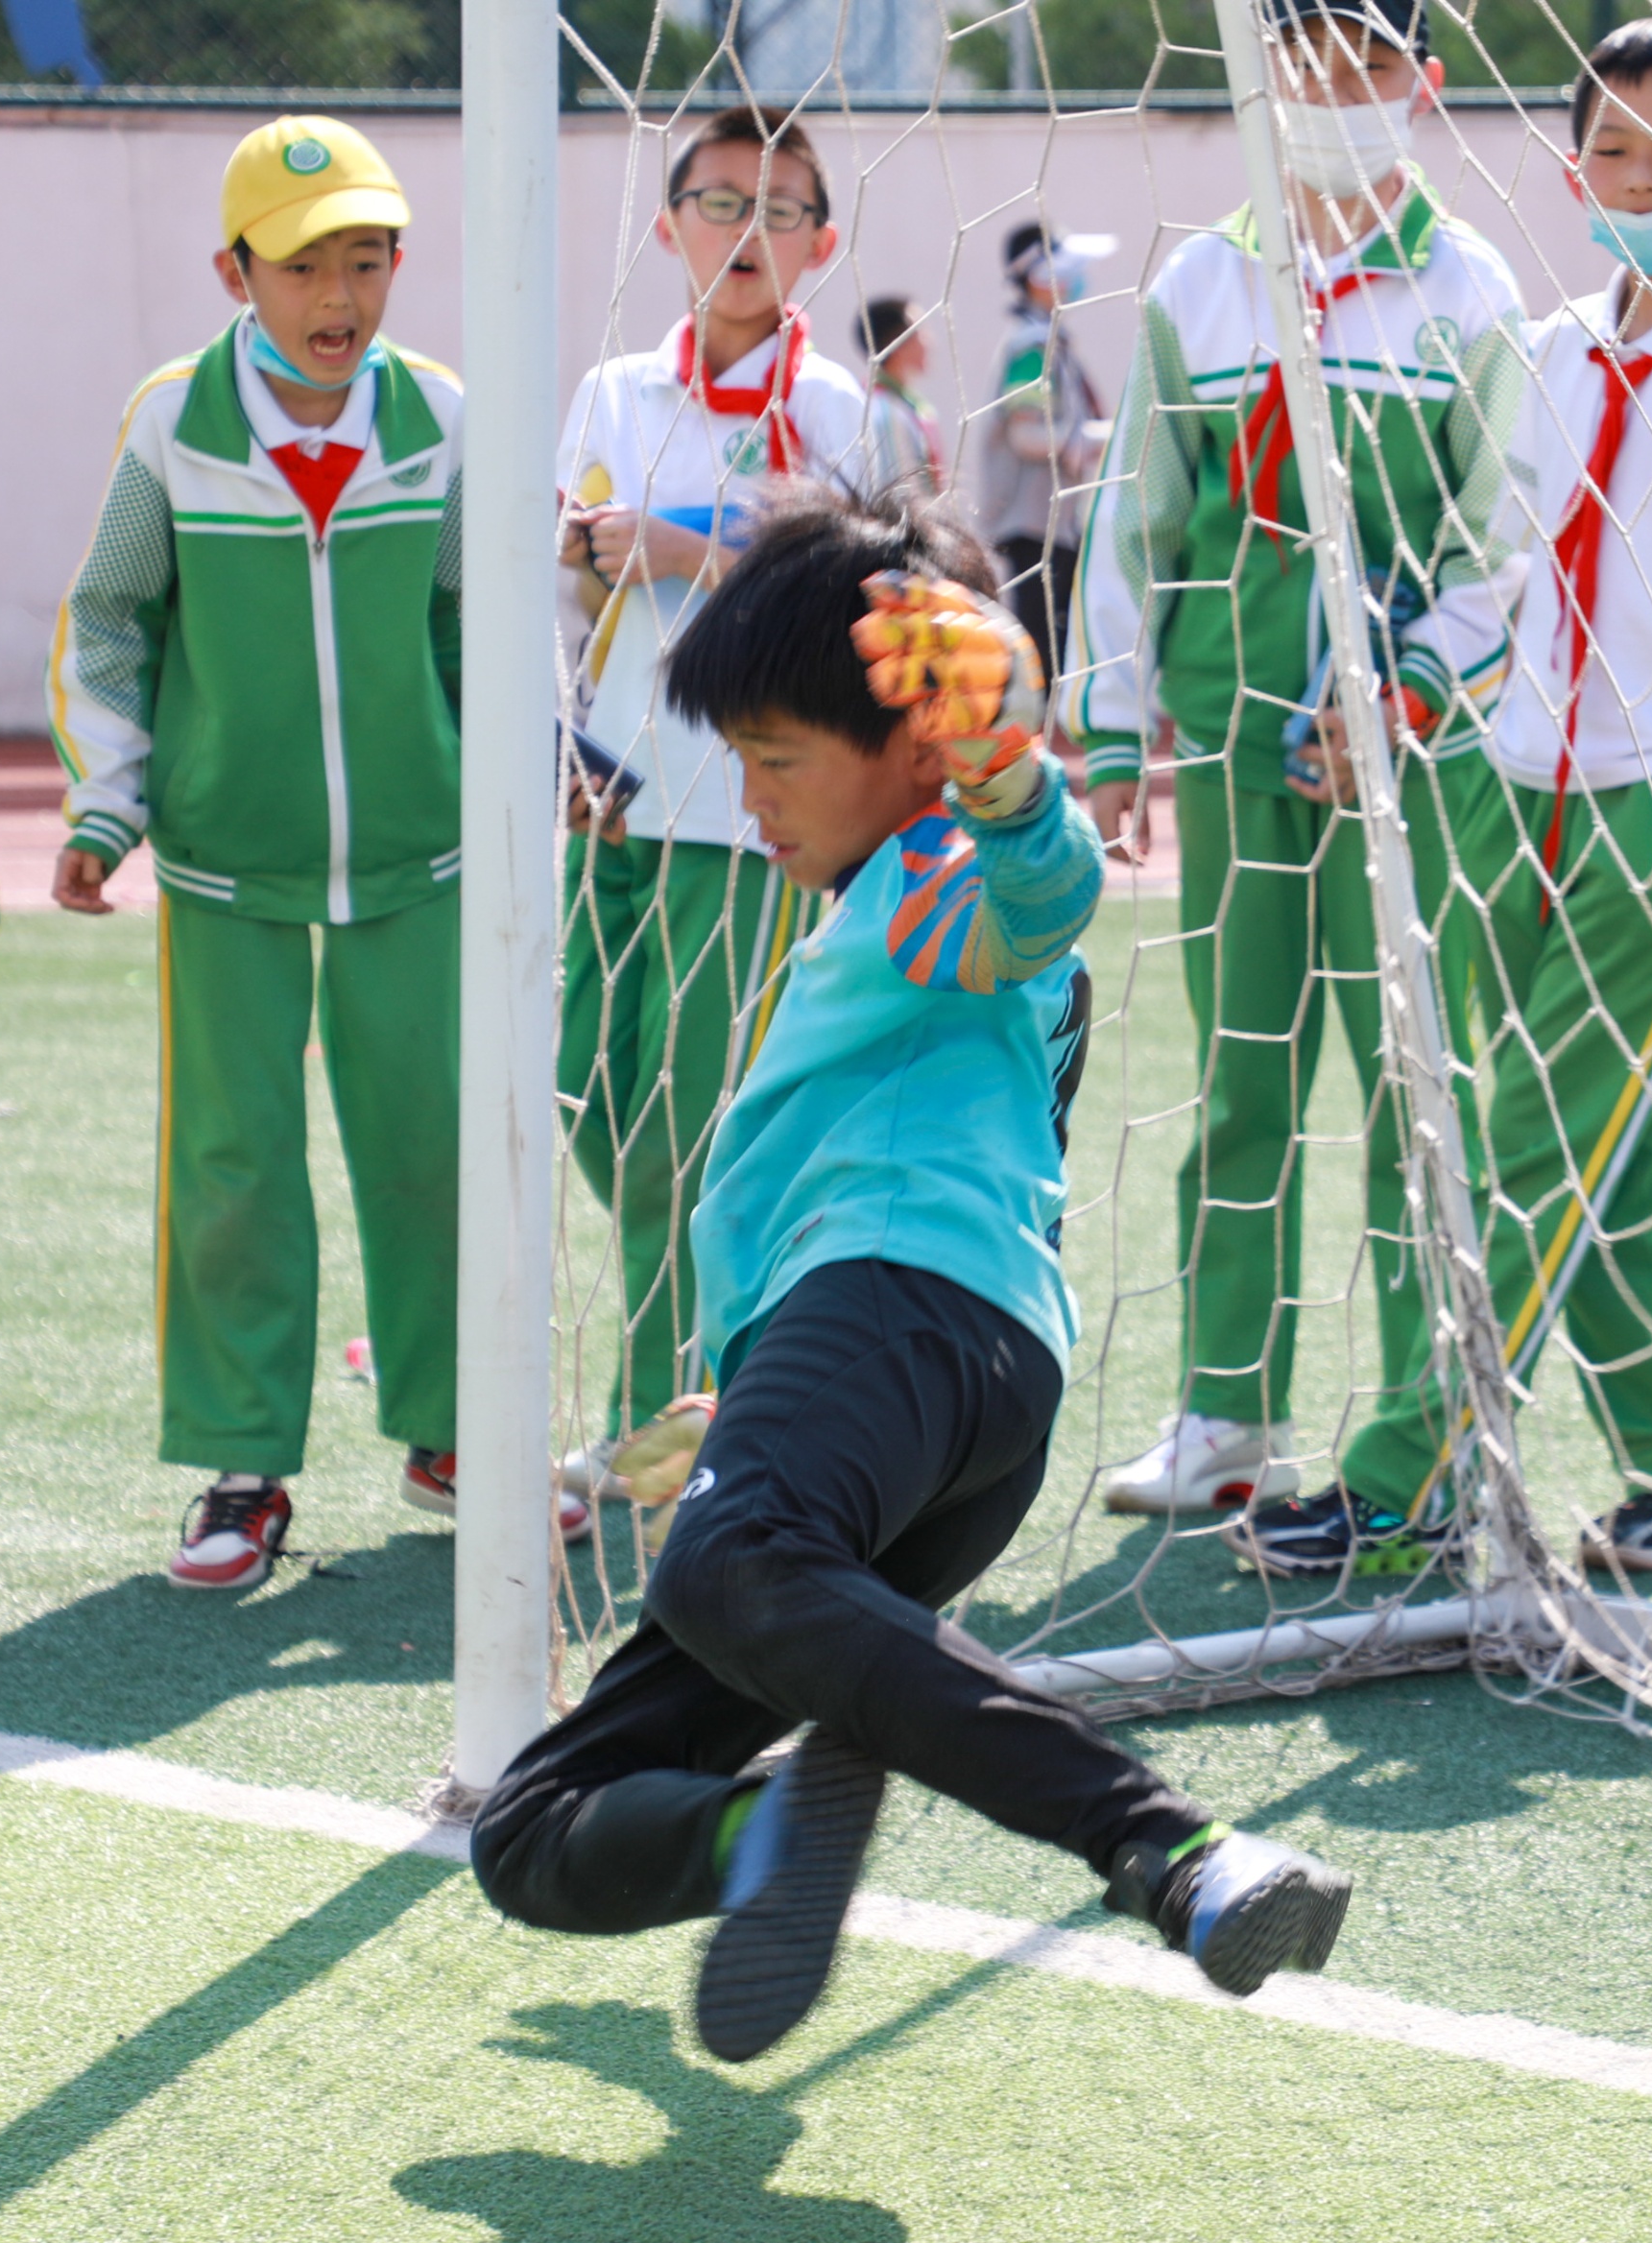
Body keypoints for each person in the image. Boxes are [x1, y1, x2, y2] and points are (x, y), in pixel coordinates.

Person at [472, 487, 1353, 2063]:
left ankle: (1177, 1850)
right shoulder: (896, 907)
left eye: (776, 758)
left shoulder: (946, 865)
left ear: (922, 738)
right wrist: (746, 1395)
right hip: (940, 1393)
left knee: (721, 1566)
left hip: (898, 1312)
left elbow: (1044, 890)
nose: (748, 800)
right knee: (537, 1822)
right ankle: (762, 1839)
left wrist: (1013, 775)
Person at [1232, 17, 1652, 1578]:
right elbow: (1506, 559)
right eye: (1613, 150)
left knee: (1539, 1135)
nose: (1641, 177)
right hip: (1519, 774)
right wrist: (1446, 705)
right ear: (1574, 169)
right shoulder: (1556, 349)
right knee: (1610, 1138)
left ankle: (1407, 1469)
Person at [47, 117, 576, 1585]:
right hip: (226, 865)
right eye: (301, 266)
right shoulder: (172, 423)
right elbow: (108, 621)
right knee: (234, 1165)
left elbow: (483, 627)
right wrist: (112, 800)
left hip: (421, 860)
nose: (339, 296)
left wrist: (515, 788)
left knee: (433, 1150)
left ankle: (452, 1428)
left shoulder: (446, 418)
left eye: (368, 258)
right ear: (235, 272)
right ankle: (240, 1467)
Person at [1066, 0, 1526, 1528]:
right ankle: (1225, 1412)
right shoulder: (1204, 284)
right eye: (1306, 62)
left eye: (1369, 66)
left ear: (1425, 82)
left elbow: (1499, 543)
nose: (1334, 92)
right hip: (1238, 770)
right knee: (1239, 1085)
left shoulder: (1468, 293)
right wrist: (1119, 728)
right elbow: (1139, 519)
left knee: (1416, 1095)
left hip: (1404, 777)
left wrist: (1403, 691)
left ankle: (1426, 1422)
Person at [554, 106, 882, 1471]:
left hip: (745, 826)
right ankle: (720, 1379)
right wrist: (557, 737)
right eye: (719, 198)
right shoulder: (616, 392)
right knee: (582, 1082)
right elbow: (555, 575)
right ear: (665, 220)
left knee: (691, 1129)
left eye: (780, 208)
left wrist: (677, 542)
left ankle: (669, 1420)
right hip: (610, 798)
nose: (746, 228)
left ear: (823, 243)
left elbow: (849, 582)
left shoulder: (837, 408)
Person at [978, 221, 1111, 678]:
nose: (1076, 281)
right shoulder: (1031, 348)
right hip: (1033, 523)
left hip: (1054, 521)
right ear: (1039, 278)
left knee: (1057, 641)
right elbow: (1027, 435)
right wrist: (1099, 439)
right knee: (1039, 645)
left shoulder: (1051, 342)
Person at [857, 293, 949, 503]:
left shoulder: (902, 403)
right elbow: (903, 497)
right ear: (895, 344)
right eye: (920, 332)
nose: (929, 341)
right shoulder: (884, 411)